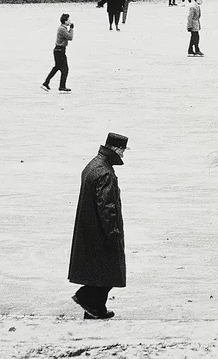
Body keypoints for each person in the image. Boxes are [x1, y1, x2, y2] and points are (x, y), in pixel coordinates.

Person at [69, 132, 129, 319]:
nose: (123, 155)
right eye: (122, 150)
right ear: (116, 149)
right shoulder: (105, 172)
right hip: (101, 231)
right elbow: (107, 206)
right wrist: (113, 233)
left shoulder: (94, 165)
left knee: (100, 272)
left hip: (90, 229)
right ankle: (86, 297)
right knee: (109, 271)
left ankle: (96, 308)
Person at [42, 13, 74, 92]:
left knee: (57, 67)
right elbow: (70, 37)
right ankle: (61, 87)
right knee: (65, 69)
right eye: (69, 19)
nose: (70, 21)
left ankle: (46, 83)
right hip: (60, 50)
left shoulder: (63, 28)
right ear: (65, 21)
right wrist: (71, 29)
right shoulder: (62, 29)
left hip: (59, 50)